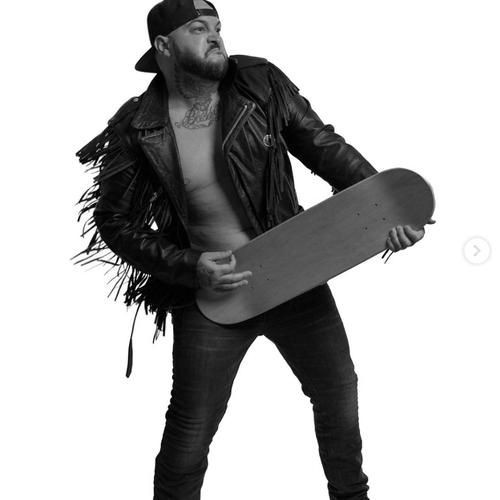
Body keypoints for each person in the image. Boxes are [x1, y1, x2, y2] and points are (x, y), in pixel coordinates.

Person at [74, 1, 432, 498]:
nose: (215, 36)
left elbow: (323, 147)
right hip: (211, 297)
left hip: (293, 275)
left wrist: (384, 208)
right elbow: (114, 221)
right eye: (198, 29)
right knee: (190, 430)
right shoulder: (139, 125)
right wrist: (191, 266)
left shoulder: (260, 83)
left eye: (218, 27)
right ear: (163, 47)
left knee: (338, 396)